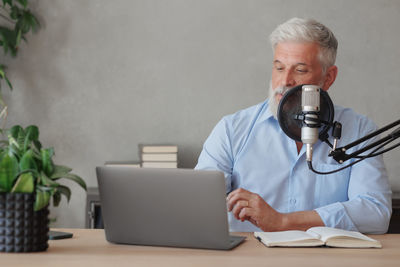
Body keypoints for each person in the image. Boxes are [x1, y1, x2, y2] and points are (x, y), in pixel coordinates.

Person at [195, 18, 392, 234]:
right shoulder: (232, 130)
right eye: (279, 68)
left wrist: (283, 222)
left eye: (300, 70)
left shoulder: (360, 131)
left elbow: (375, 213)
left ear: (328, 77)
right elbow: (197, 205)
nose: (285, 81)